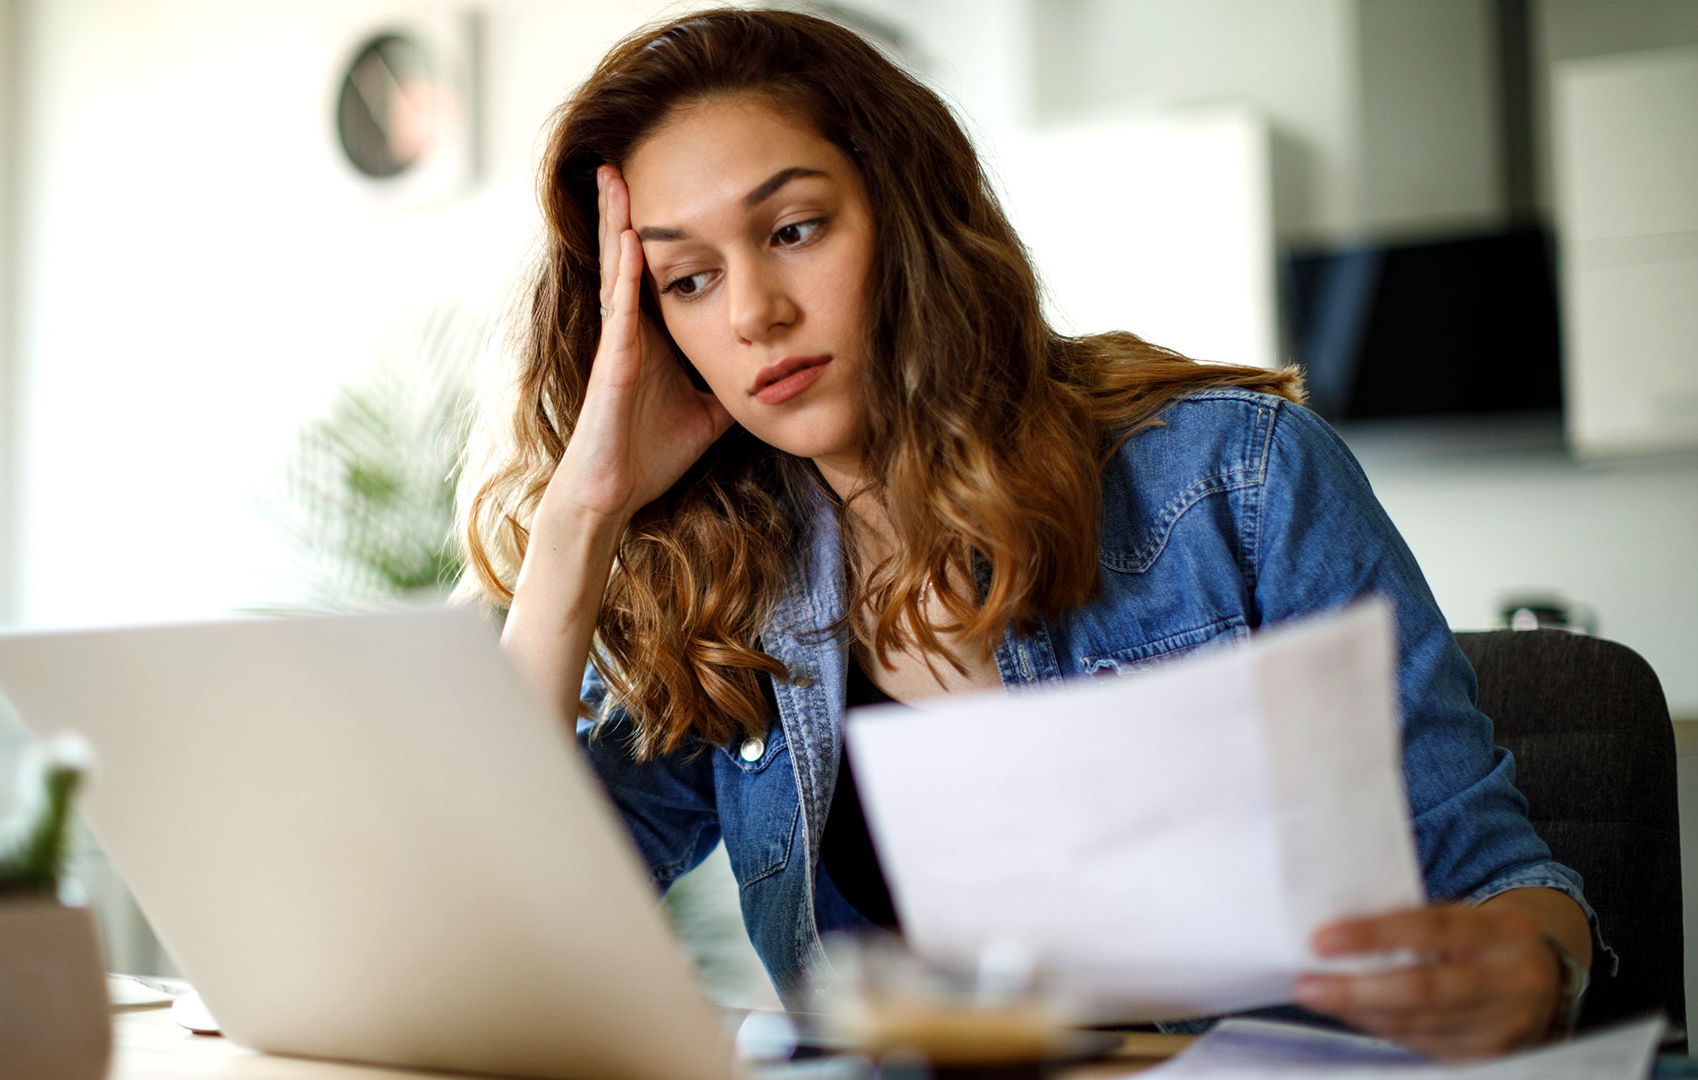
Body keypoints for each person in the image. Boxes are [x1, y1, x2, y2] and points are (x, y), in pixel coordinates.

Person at [461, 8, 1606, 1061]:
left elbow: (1502, 882)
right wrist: (582, 517)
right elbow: (500, 924)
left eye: (797, 228)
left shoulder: (1236, 479)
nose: (754, 311)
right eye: (689, 279)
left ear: (904, 216)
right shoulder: (729, 582)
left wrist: (1535, 965)